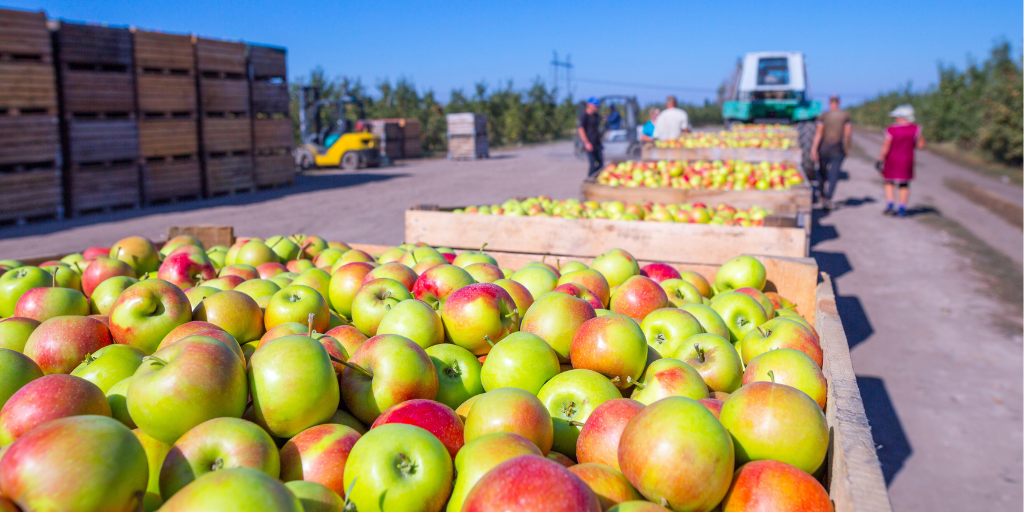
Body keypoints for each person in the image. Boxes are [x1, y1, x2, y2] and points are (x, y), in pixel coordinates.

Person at [877, 104, 925, 217]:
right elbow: (921, 145)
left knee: (889, 181)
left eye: (897, 116)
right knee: (904, 183)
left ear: (902, 117)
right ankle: (902, 208)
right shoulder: (916, 129)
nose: (896, 118)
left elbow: (886, 146)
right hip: (907, 159)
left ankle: (890, 204)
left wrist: (880, 159)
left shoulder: (891, 129)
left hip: (892, 159)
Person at [810, 95, 851, 210]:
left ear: (829, 103)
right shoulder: (845, 116)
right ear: (839, 102)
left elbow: (818, 133)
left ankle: (822, 195)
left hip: (824, 148)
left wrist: (814, 148)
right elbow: (847, 134)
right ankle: (828, 198)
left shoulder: (824, 116)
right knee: (834, 174)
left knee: (822, 173)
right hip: (837, 149)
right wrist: (847, 147)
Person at [578, 97, 604, 176]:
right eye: (594, 105)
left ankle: (596, 179)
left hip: (597, 144)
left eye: (597, 106)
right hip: (589, 143)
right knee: (593, 164)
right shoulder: (584, 116)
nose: (596, 107)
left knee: (601, 164)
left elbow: (599, 127)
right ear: (589, 105)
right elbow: (581, 129)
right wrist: (586, 143)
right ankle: (589, 180)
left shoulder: (596, 116)